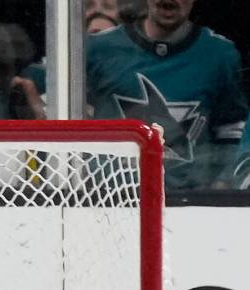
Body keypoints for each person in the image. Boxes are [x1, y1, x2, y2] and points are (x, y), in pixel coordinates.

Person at [86, 0, 247, 190]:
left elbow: (231, 130)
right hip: (109, 201)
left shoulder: (220, 55)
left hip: (192, 203)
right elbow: (69, 115)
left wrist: (222, 185)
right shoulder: (98, 49)